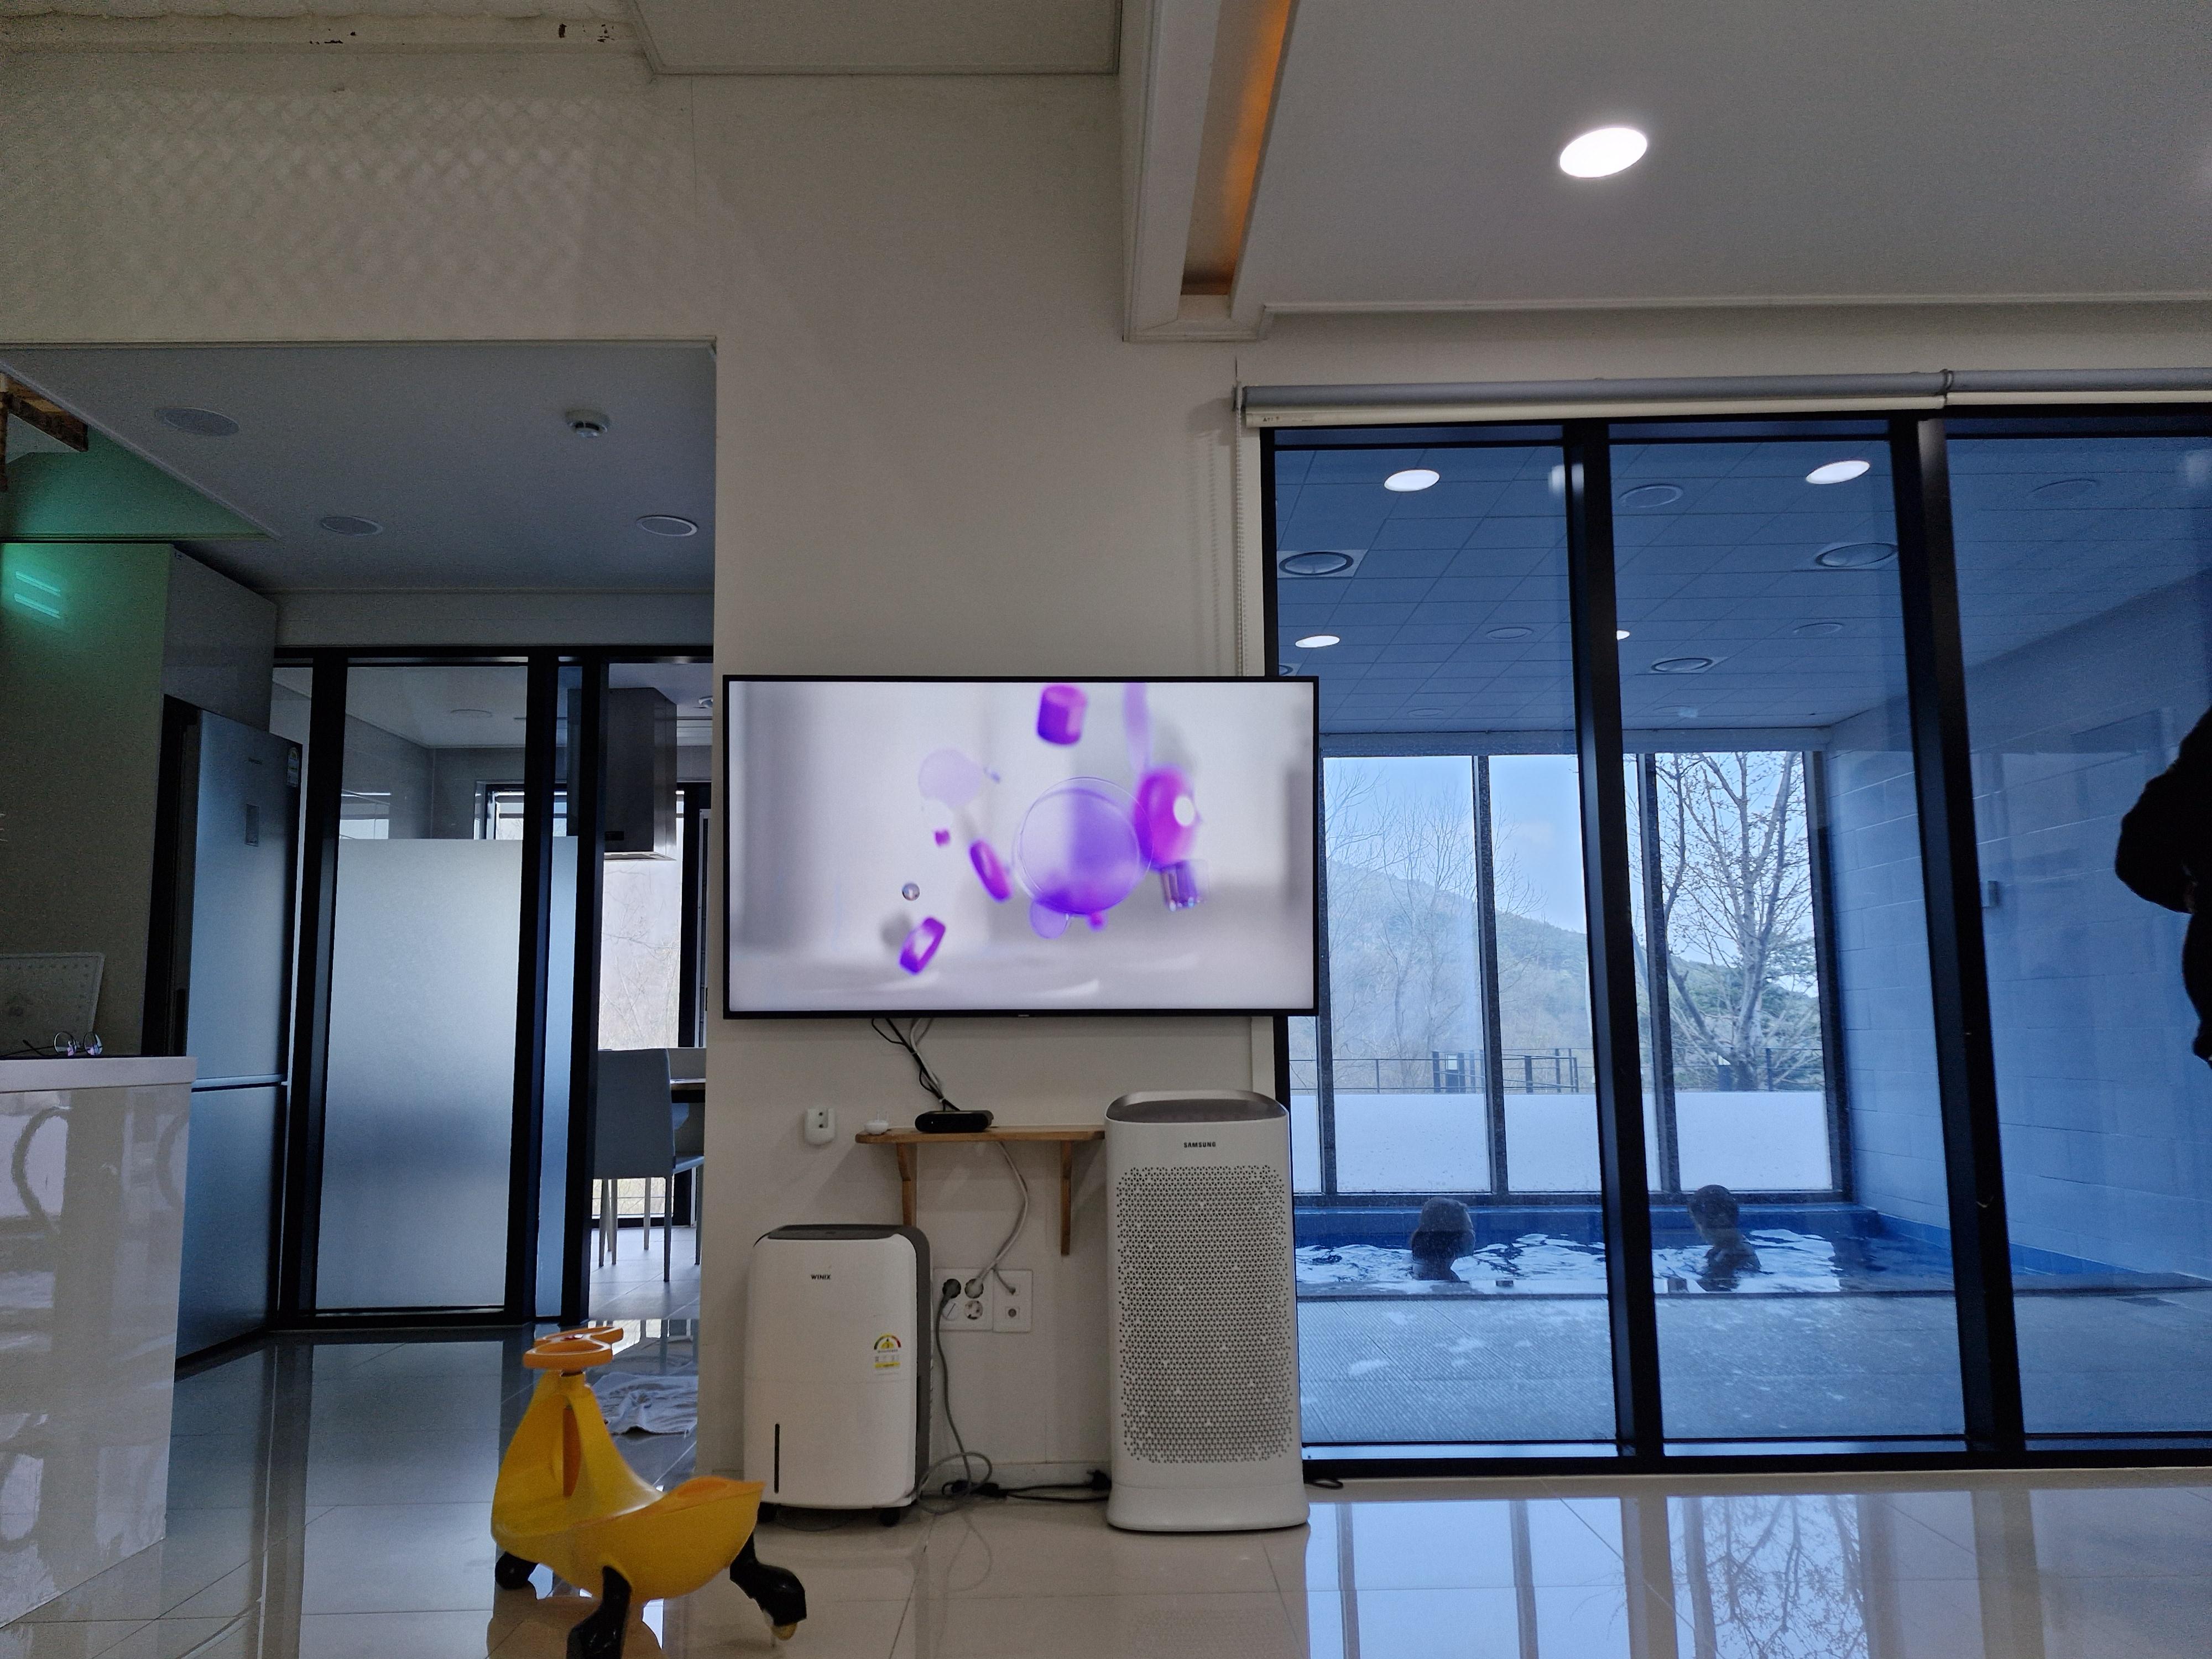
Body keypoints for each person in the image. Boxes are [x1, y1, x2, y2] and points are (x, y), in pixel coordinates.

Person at [2115, 707, 2212, 1063]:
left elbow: (2136, 859)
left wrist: (2191, 895)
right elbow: (2136, 859)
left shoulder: (2186, 782)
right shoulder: (2189, 782)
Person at [1685, 1183, 1761, 1292]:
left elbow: (1718, 1286)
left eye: (1697, 1223)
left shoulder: (1730, 1256)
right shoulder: (1736, 1247)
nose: (1697, 1229)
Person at [1406, 1196, 1475, 1281]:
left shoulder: (1414, 1264)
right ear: (1453, 1238)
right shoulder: (1446, 1279)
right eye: (1469, 1229)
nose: (1473, 1234)